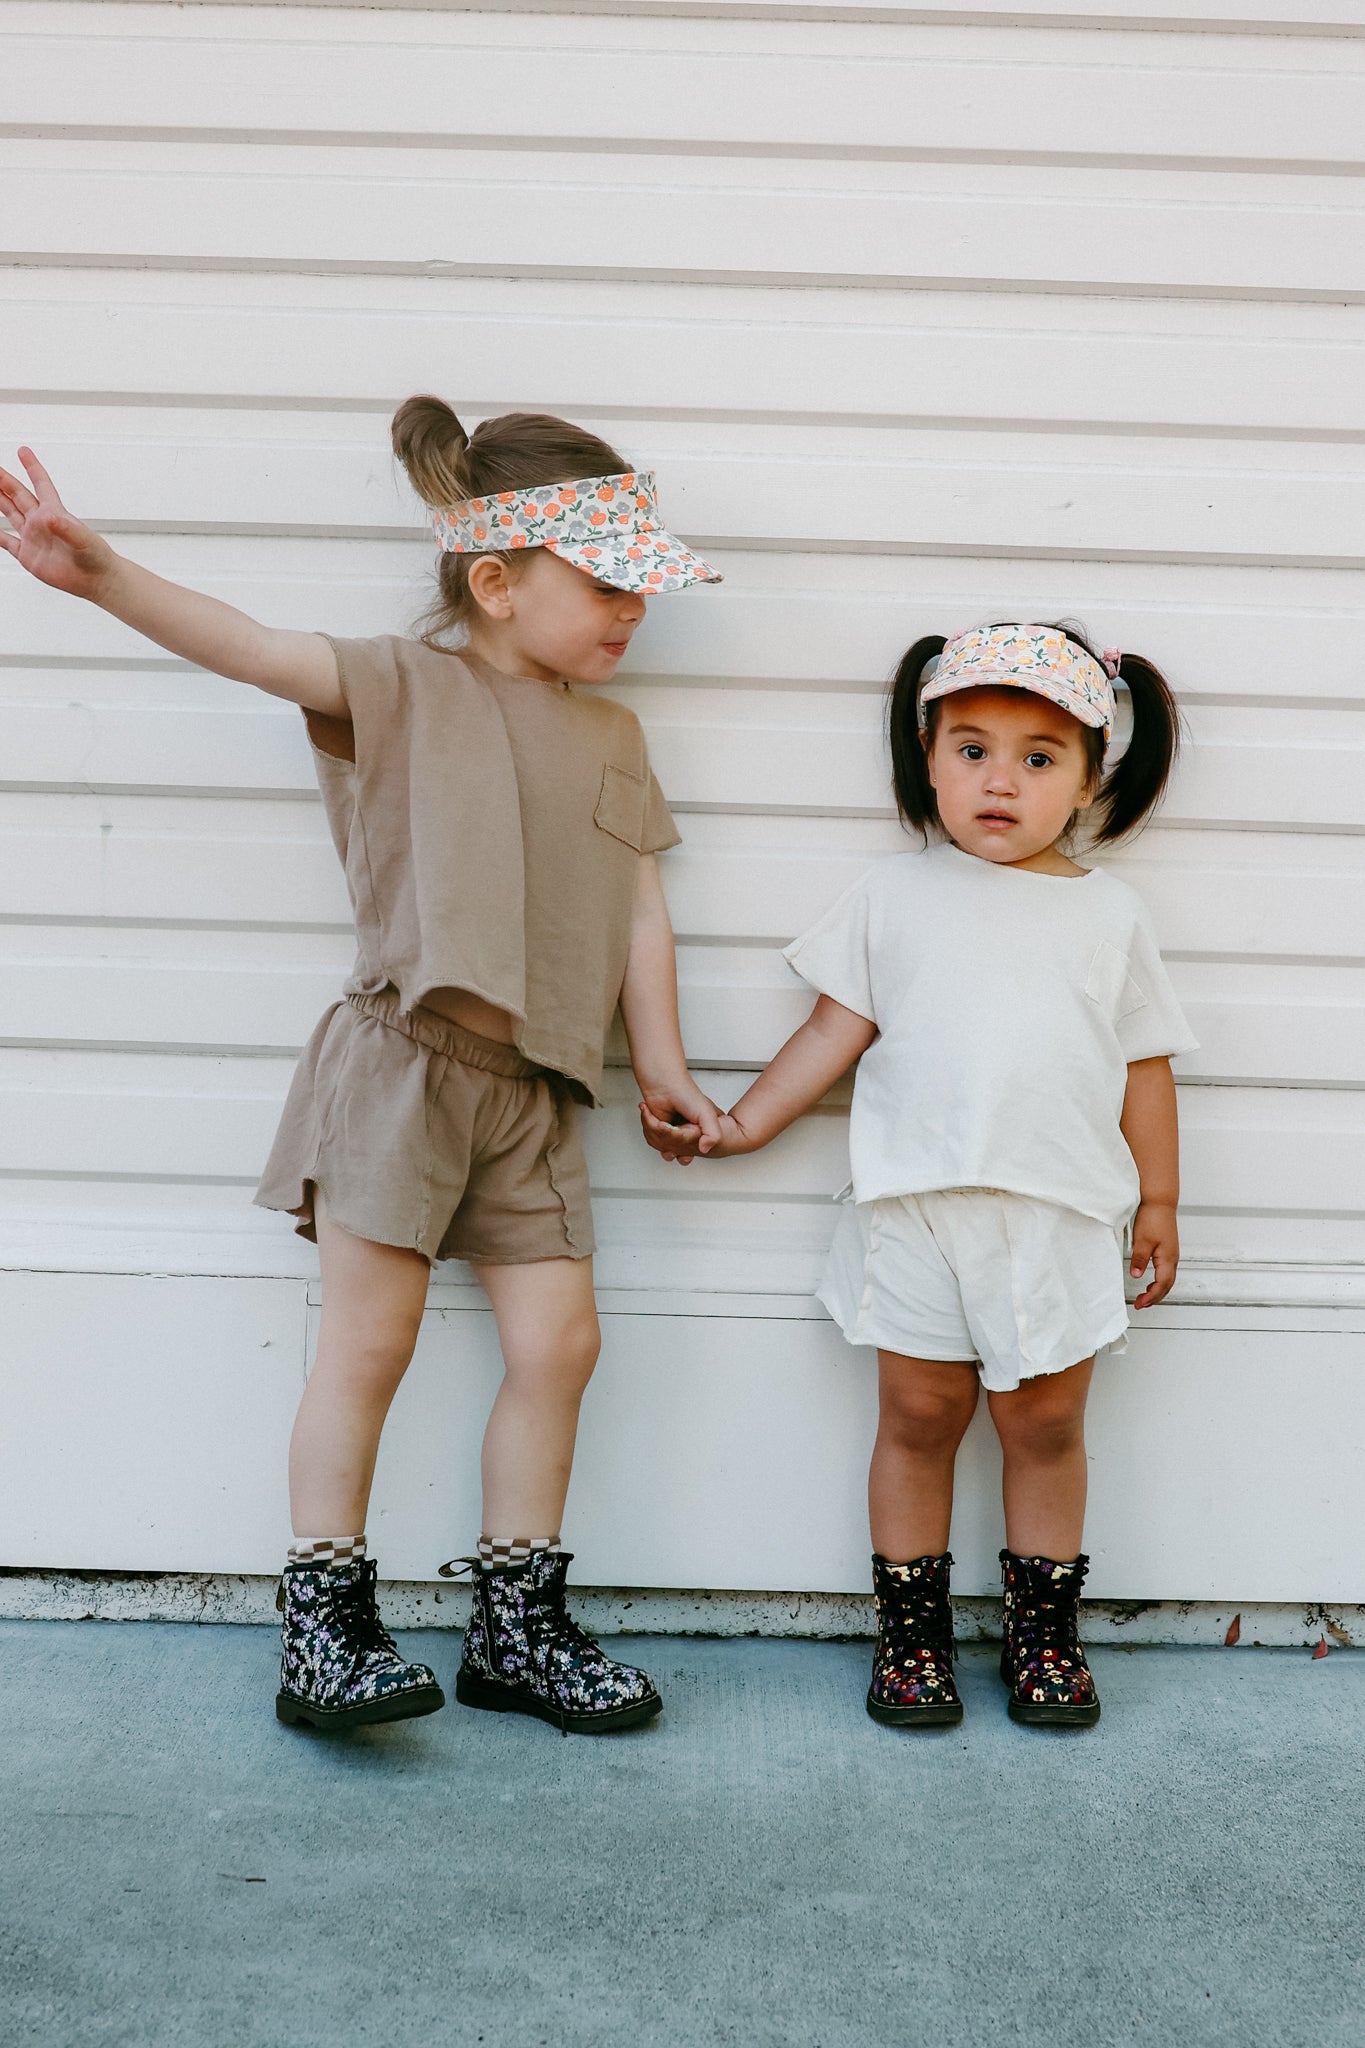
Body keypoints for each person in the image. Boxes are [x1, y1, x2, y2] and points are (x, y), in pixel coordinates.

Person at [0, 406, 723, 1736]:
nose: (632, 614)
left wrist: (663, 1066)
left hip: (541, 1090)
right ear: (496, 582)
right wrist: (97, 572)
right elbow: (254, 647)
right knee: (368, 1344)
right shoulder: (402, 685)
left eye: (642, 589)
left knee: (562, 1345)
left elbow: (635, 916)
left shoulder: (612, 739)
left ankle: (517, 1627)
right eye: (606, 584)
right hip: (404, 1065)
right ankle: (326, 1626)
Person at [642, 623, 1195, 1729]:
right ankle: (913, 1634)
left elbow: (1144, 1067)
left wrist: (1162, 1198)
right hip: (916, 1210)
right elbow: (830, 1031)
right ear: (927, 757)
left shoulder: (1108, 914)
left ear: (1091, 778)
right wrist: (745, 1121)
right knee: (918, 1413)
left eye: (1040, 758)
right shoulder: (893, 899)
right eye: (972, 749)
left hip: (1059, 1214)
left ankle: (1043, 1633)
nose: (1001, 779)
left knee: (1044, 1424)